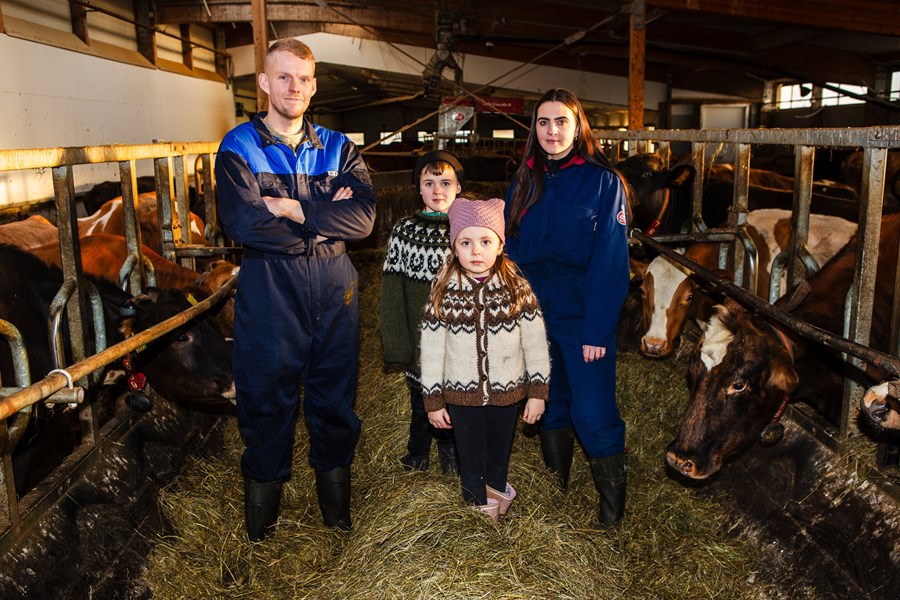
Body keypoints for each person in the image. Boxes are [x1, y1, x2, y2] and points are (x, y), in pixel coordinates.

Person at [215, 38, 376, 541]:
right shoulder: (238, 146)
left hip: (335, 291)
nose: (296, 88)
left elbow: (366, 218)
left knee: (334, 399)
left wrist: (295, 209)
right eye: (284, 77)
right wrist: (329, 222)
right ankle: (261, 528)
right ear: (262, 82)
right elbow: (245, 223)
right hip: (270, 289)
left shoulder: (338, 146)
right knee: (266, 400)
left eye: (305, 79)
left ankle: (337, 518)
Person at [504, 88, 631, 527]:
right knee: (550, 397)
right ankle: (557, 490)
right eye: (543, 122)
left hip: (582, 311)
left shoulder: (602, 181)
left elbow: (612, 261)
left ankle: (611, 517)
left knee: (592, 409)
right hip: (535, 309)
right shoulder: (524, 181)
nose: (552, 131)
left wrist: (598, 329)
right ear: (534, 129)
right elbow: (510, 252)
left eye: (561, 122)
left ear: (578, 127)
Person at [421, 197, 550, 523]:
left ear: (500, 245)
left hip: (507, 393)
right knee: (471, 458)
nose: (476, 251)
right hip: (461, 394)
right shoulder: (443, 291)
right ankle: (479, 520)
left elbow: (535, 344)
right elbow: (433, 348)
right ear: (454, 247)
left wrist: (537, 393)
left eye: (485, 241)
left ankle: (495, 505)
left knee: (498, 455)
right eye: (466, 242)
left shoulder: (517, 289)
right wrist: (433, 399)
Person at [380, 150, 466, 475]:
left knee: (456, 400)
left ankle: (451, 457)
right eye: (429, 182)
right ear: (418, 187)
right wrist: (398, 344)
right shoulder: (404, 232)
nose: (437, 190)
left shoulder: (467, 230)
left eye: (445, 182)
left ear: (459, 186)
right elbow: (391, 293)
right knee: (421, 401)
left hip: (459, 339)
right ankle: (416, 456)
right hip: (420, 339)